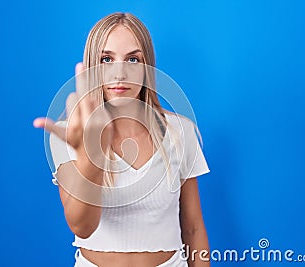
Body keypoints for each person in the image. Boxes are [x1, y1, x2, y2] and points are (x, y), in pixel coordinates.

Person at [34, 12, 210, 267]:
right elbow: (81, 226)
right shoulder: (69, 135)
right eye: (107, 59)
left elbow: (193, 229)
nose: (120, 72)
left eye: (133, 59)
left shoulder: (180, 130)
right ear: (93, 66)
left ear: (147, 67)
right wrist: (91, 155)